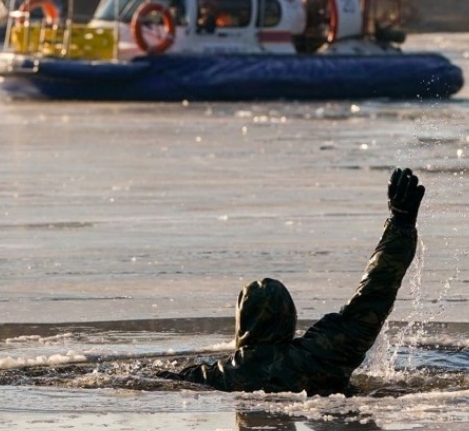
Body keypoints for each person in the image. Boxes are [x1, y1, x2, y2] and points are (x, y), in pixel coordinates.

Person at [159, 167, 425, 397]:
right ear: (289, 318)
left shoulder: (216, 376)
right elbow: (375, 291)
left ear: (242, 324)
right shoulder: (322, 355)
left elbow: (157, 382)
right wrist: (401, 222)